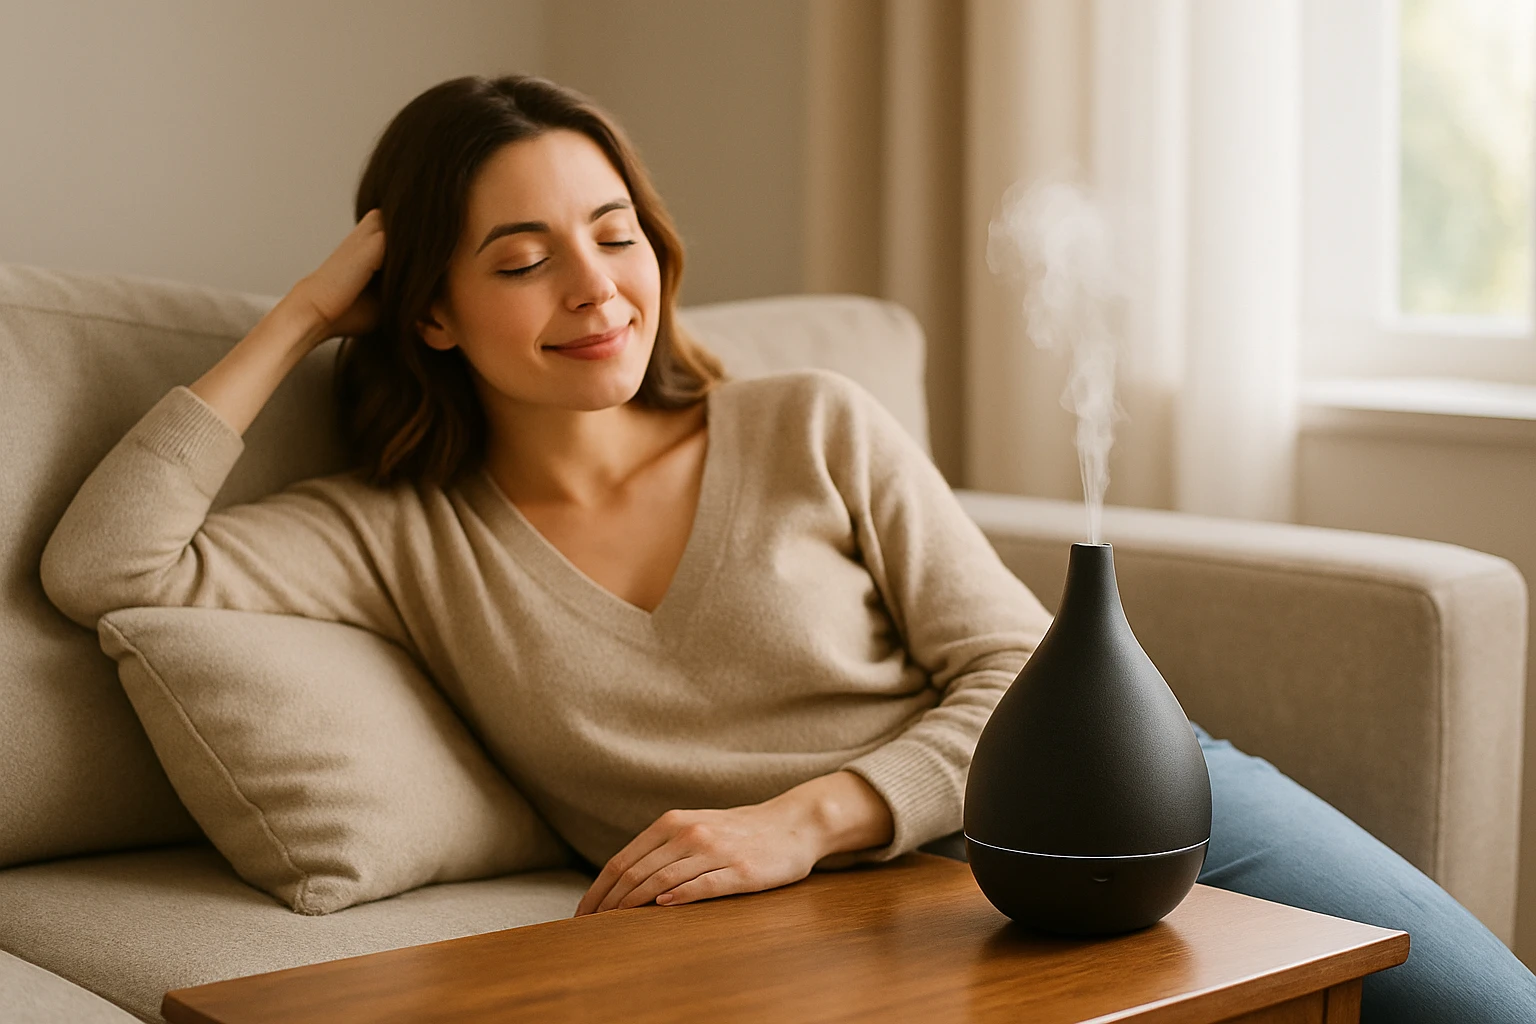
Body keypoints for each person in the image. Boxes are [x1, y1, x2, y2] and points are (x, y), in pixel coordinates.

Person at [38, 74, 1536, 1022]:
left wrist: (801, 820)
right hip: (878, 932)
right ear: (426, 310)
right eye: (520, 256)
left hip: (1112, 799)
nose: (595, 287)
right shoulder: (391, 541)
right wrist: (300, 313)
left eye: (613, 230)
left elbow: (1018, 669)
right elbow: (103, 571)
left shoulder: (805, 423)